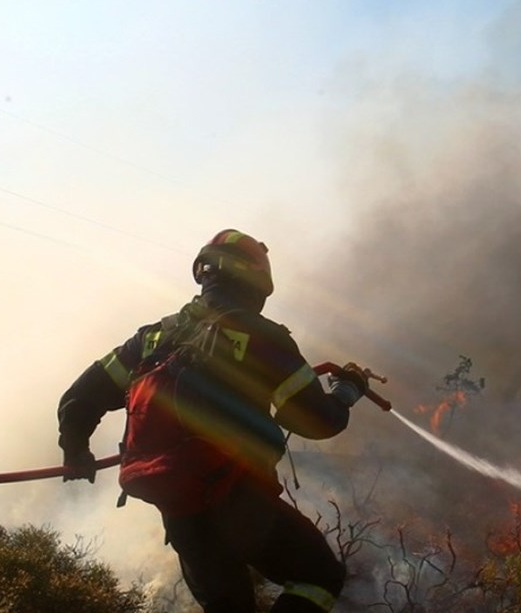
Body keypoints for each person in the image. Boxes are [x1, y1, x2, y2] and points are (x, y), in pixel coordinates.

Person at [57, 228, 368, 612]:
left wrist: (75, 450)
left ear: (204, 273)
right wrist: (347, 390)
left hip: (179, 510)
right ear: (258, 282)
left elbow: (79, 398)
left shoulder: (154, 338)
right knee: (319, 577)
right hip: (240, 498)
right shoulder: (262, 337)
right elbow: (318, 423)